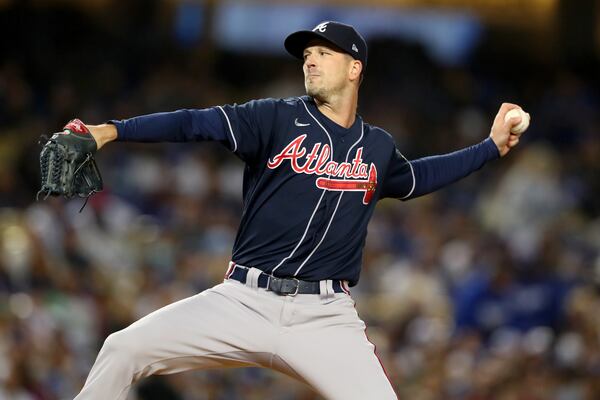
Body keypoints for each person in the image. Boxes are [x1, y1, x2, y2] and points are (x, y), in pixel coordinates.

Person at [72, 21, 527, 399]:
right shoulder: (273, 117)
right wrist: (111, 131)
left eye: (323, 53)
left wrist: (490, 148)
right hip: (243, 300)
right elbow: (194, 123)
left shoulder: (378, 147)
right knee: (122, 348)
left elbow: (419, 178)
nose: (309, 59)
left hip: (324, 317)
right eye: (306, 53)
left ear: (355, 69)